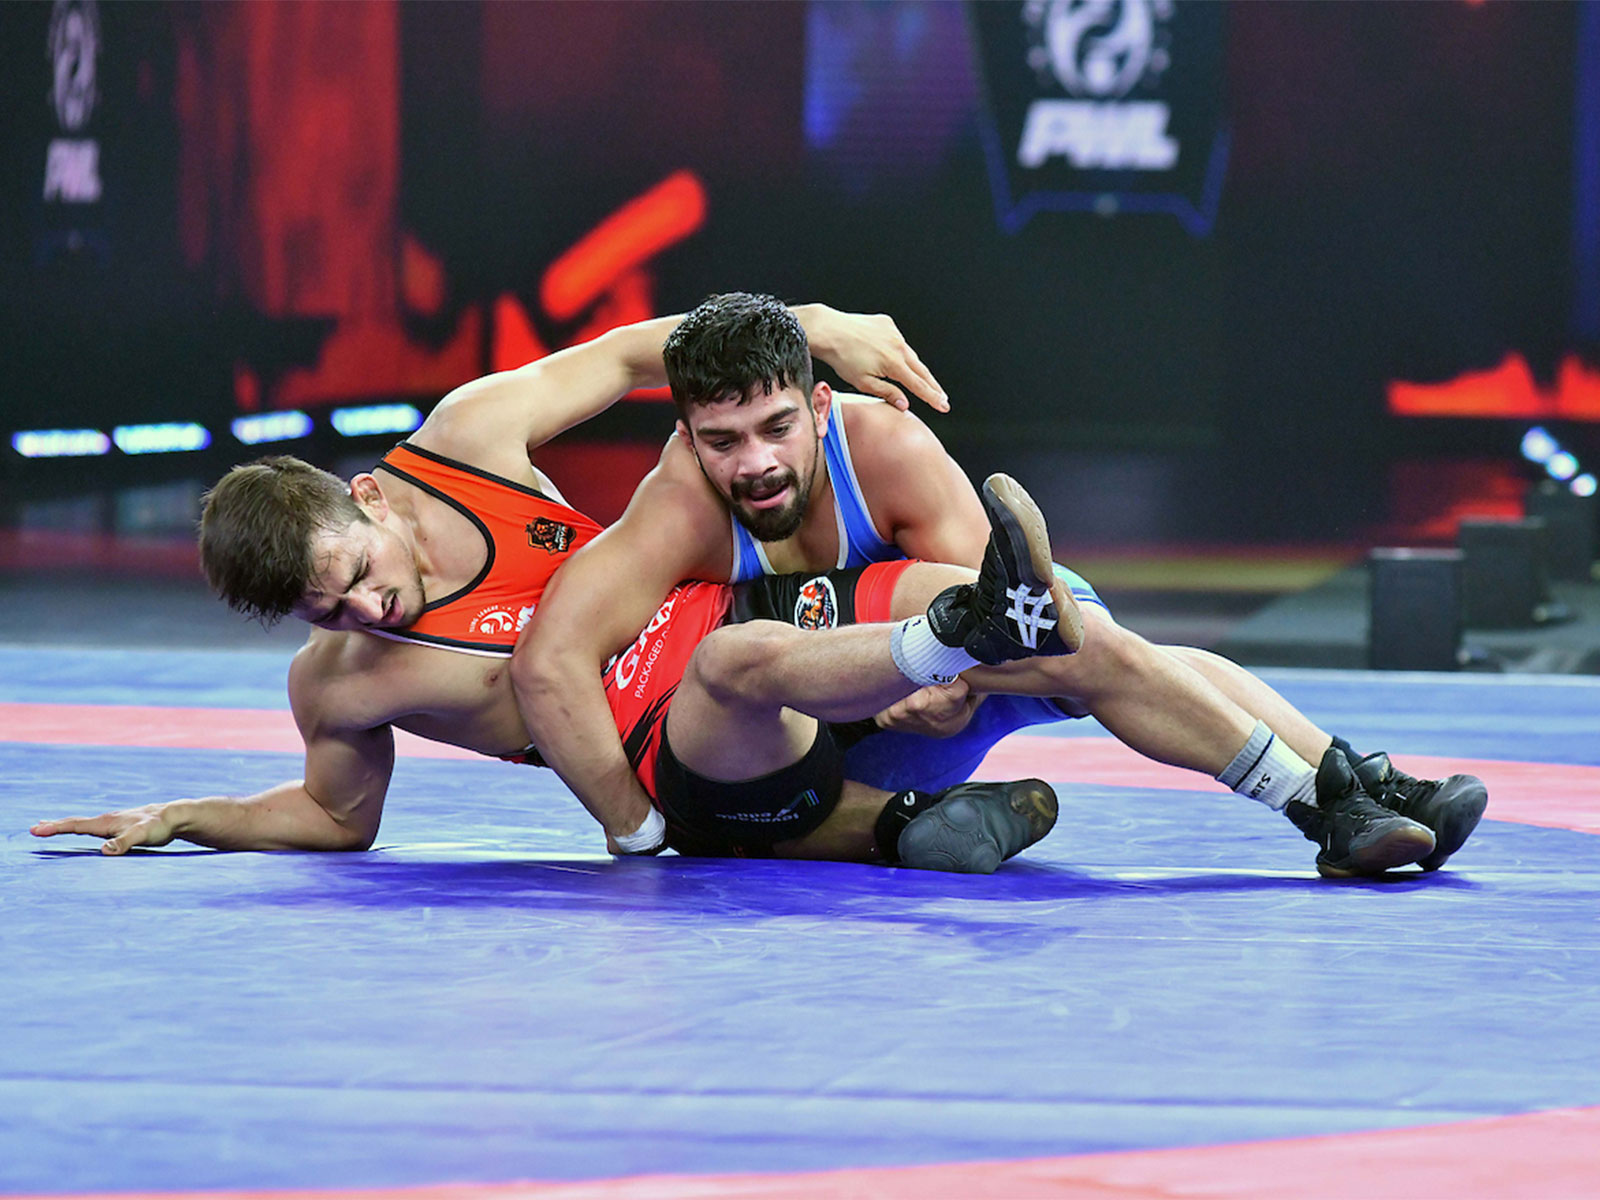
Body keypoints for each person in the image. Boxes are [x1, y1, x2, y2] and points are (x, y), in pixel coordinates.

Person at [27, 304, 1072, 872]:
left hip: (743, 626)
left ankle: (1122, 703)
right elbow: (337, 820)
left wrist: (807, 326)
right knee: (710, 808)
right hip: (678, 761)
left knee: (1049, 623)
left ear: (367, 501)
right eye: (324, 614)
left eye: (352, 578)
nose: (364, 613)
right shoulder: (339, 688)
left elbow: (627, 359)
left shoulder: (465, 442)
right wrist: (198, 816)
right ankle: (911, 824)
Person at [512, 293, 1489, 878]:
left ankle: (1348, 792)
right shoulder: (678, 504)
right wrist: (632, 831)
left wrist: (949, 687)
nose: (754, 465)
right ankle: (1340, 794)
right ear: (686, 437)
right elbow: (551, 658)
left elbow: (1012, 611)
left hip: (922, 700)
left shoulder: (883, 450)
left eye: (775, 430)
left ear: (820, 406)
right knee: (1059, 643)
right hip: (790, 753)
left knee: (1078, 643)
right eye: (722, 442)